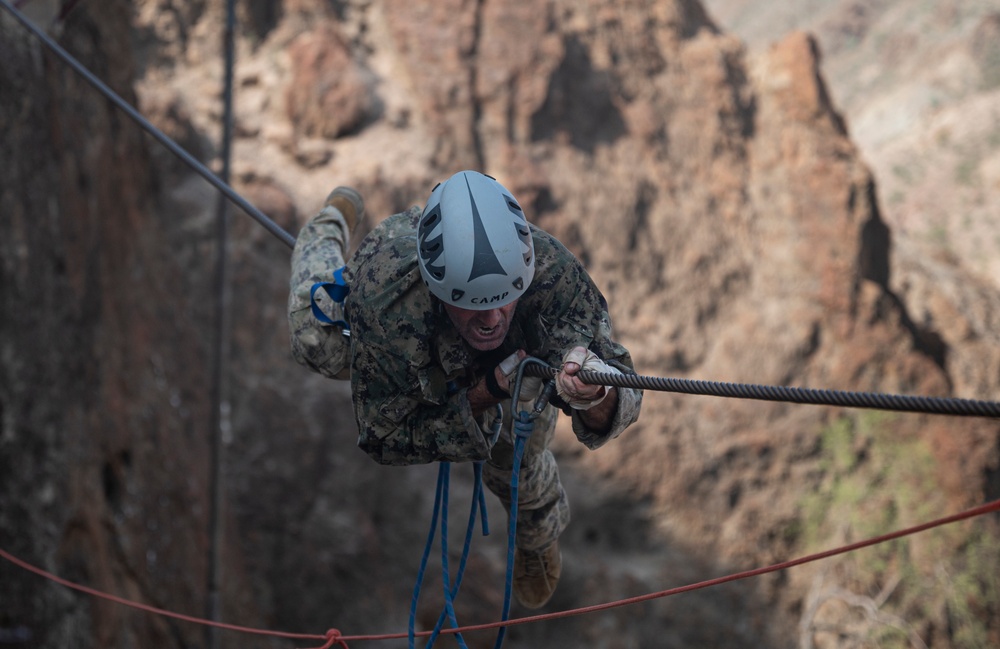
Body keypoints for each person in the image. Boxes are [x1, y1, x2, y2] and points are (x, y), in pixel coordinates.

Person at [288, 170, 642, 609]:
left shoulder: (553, 277)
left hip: (520, 362)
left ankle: (537, 538)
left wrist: (593, 394)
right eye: (474, 306)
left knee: (516, 458)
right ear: (438, 287)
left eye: (503, 300)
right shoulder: (384, 295)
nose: (492, 319)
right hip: (412, 348)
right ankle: (330, 223)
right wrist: (486, 391)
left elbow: (623, 390)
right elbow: (383, 436)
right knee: (312, 341)